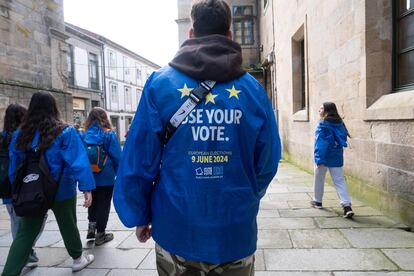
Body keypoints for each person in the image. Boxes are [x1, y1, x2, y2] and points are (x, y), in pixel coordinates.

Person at [114, 0, 281, 275]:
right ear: (230, 36)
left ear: (191, 34)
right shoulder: (252, 90)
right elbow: (268, 161)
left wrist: (139, 213)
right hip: (234, 230)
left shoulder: (159, 84)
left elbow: (139, 159)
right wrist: (247, 195)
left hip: (176, 228)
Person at [2, 92, 96, 276]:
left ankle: (9, 273)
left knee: (25, 233)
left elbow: (14, 165)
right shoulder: (65, 131)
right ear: (54, 108)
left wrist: (17, 190)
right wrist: (86, 188)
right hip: (61, 189)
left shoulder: (21, 134)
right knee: (68, 224)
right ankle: (78, 259)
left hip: (31, 190)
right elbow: (78, 161)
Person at [0, 104, 41, 264]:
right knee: (31, 220)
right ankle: (24, 252)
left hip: (5, 186)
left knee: (14, 219)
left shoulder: (2, 136)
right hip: (21, 183)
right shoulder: (22, 137)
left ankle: (25, 251)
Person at [81, 107, 121, 245]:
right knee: (104, 204)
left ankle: (91, 227)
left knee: (92, 202)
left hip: (89, 176)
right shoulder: (109, 134)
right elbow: (117, 157)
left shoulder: (83, 134)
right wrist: (119, 175)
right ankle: (101, 234)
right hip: (106, 176)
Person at [311, 102, 354, 218]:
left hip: (324, 157)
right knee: (340, 181)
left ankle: (317, 201)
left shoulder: (323, 124)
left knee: (319, 179)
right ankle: (347, 206)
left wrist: (319, 159)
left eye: (321, 108)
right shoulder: (340, 123)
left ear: (327, 111)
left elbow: (320, 144)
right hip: (336, 157)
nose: (319, 110)